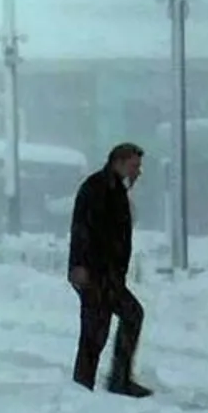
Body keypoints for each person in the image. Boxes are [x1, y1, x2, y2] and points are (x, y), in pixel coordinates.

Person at [67, 142, 152, 398]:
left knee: (113, 321)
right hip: (95, 274)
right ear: (120, 162)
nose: (138, 171)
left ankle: (100, 381)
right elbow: (81, 228)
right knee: (99, 327)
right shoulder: (97, 188)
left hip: (109, 275)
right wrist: (79, 266)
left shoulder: (115, 189)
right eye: (134, 166)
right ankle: (92, 384)